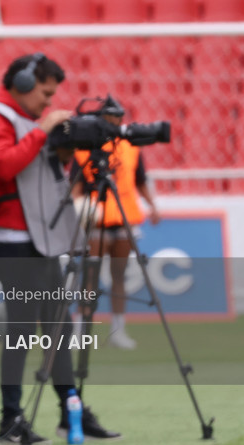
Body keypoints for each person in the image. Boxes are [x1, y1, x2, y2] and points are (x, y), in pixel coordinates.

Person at [0, 53, 121, 442]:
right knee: (22, 331)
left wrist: (62, 151)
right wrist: (45, 129)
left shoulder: (20, 119)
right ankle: (11, 419)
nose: (48, 104)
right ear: (21, 83)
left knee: (59, 328)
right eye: (45, 94)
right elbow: (3, 165)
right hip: (14, 244)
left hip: (40, 241)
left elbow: (37, 173)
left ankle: (71, 411)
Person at [72, 96, 161, 350]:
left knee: (118, 276)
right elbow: (77, 186)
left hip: (124, 218)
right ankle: (81, 331)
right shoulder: (85, 148)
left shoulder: (131, 147)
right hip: (96, 218)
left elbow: (140, 180)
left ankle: (118, 329)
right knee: (89, 276)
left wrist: (152, 205)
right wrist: (74, 211)